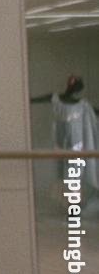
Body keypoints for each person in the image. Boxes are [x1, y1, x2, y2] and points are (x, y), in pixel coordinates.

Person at [31, 74, 99, 212]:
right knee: (63, 174)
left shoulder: (83, 105)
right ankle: (71, 204)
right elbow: (39, 100)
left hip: (77, 146)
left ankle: (74, 205)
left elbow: (94, 112)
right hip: (61, 145)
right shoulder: (57, 99)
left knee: (74, 175)